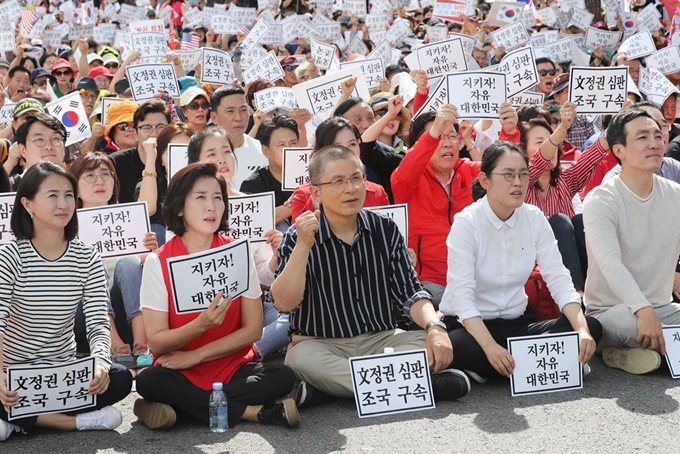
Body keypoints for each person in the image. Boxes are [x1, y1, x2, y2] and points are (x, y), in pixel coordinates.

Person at [272, 145, 471, 408]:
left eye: (356, 178)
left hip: (382, 339)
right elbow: (284, 303)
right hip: (323, 344)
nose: (351, 188)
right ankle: (420, 385)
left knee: (434, 343)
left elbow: (411, 292)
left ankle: (328, 391)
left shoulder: (385, 229)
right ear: (316, 192)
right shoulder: (299, 236)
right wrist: (303, 248)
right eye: (338, 181)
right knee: (300, 360)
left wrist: (435, 328)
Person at [135, 162, 299, 430]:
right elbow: (158, 343)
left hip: (231, 364)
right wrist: (201, 325)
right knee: (149, 381)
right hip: (180, 369)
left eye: (217, 198)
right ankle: (253, 412)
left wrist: (197, 355)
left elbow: (253, 330)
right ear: (179, 207)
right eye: (200, 197)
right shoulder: (159, 261)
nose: (211, 206)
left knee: (283, 375)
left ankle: (181, 408)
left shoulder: (238, 252)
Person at [439, 142, 602, 381]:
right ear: (485, 181)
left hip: (516, 325)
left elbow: (558, 277)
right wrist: (490, 347)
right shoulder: (467, 223)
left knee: (592, 327)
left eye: (523, 174)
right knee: (460, 347)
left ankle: (501, 369)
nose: (518, 182)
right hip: (471, 327)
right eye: (508, 175)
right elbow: (461, 298)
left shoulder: (534, 218)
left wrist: (581, 330)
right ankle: (530, 364)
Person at [0, 161, 133, 441]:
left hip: (63, 374)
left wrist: (99, 362)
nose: (64, 203)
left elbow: (98, 321)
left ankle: (21, 422)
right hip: (13, 374)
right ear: (28, 204)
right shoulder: (9, 256)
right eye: (52, 195)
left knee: (120, 377)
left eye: (69, 195)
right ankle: (68, 423)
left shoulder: (87, 256)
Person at [583, 108, 680, 375]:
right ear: (619, 150)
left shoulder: (676, 195)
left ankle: (642, 354)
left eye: (658, 136)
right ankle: (613, 348)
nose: (655, 143)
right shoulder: (600, 200)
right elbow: (610, 263)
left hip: (662, 308)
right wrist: (642, 309)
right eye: (642, 137)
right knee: (630, 324)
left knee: (655, 322)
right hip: (612, 312)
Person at [186, 127, 289, 358]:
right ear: (195, 162)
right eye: (211, 154)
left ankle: (248, 353)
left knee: (295, 319)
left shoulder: (253, 206)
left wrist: (275, 255)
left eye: (227, 151)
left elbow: (265, 277)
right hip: (206, 307)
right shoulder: (185, 206)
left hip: (254, 304)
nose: (222, 159)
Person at [390, 105, 480, 307]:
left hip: (474, 279)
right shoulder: (407, 179)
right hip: (428, 283)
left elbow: (503, 172)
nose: (447, 144)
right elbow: (406, 172)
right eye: (439, 137)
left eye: (452, 136)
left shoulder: (470, 171)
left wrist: (510, 134)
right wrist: (432, 134)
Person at [70, 152, 157, 361]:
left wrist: (151, 257)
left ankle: (141, 342)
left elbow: (152, 277)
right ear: (75, 188)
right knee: (91, 263)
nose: (100, 181)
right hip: (88, 320)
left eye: (106, 175)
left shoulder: (132, 221)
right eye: (89, 176)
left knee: (130, 262)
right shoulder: (67, 228)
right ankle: (114, 344)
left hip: (128, 310)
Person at [291, 117, 389, 223]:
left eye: (352, 144)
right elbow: (299, 236)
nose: (346, 151)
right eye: (337, 147)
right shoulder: (304, 195)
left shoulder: (378, 192)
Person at [136, 123, 195, 246]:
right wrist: (150, 158)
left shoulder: (205, 184)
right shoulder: (150, 183)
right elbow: (148, 210)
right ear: (161, 158)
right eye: (172, 151)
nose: (181, 158)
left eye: (186, 152)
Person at [244, 116, 299, 232]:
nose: (289, 149)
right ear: (266, 151)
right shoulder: (253, 185)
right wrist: (296, 203)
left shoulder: (312, 177)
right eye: (281, 145)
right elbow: (251, 223)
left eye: (293, 143)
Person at [109, 100, 170, 205]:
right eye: (146, 128)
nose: (154, 134)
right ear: (136, 134)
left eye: (161, 127)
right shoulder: (116, 163)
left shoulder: (178, 160)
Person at [210, 85, 268, 190]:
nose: (238, 118)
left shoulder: (263, 151)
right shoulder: (203, 155)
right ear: (214, 117)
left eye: (243, 110)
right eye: (230, 111)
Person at [10, 112, 67, 191]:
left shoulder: (79, 188)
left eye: (55, 138)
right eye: (39, 139)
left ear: (64, 148)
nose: (49, 146)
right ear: (22, 150)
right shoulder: (9, 188)